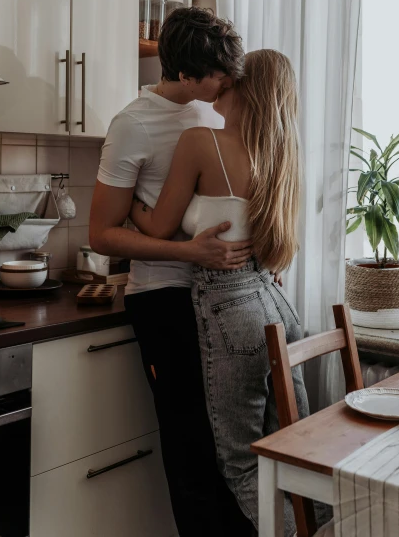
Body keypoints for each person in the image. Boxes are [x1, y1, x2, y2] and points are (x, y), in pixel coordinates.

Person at [129, 49, 309, 535]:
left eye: (229, 80)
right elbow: (274, 251)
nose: (219, 86)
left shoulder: (199, 141)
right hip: (276, 306)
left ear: (242, 88)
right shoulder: (280, 156)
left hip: (231, 312)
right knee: (293, 449)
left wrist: (132, 208)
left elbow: (162, 226)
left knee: (240, 463)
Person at [89, 7, 255, 537]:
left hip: (222, 298)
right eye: (215, 73)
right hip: (163, 301)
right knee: (190, 448)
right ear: (184, 75)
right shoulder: (132, 125)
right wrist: (192, 255)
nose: (227, 81)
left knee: (228, 444)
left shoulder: (212, 112)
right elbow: (100, 233)